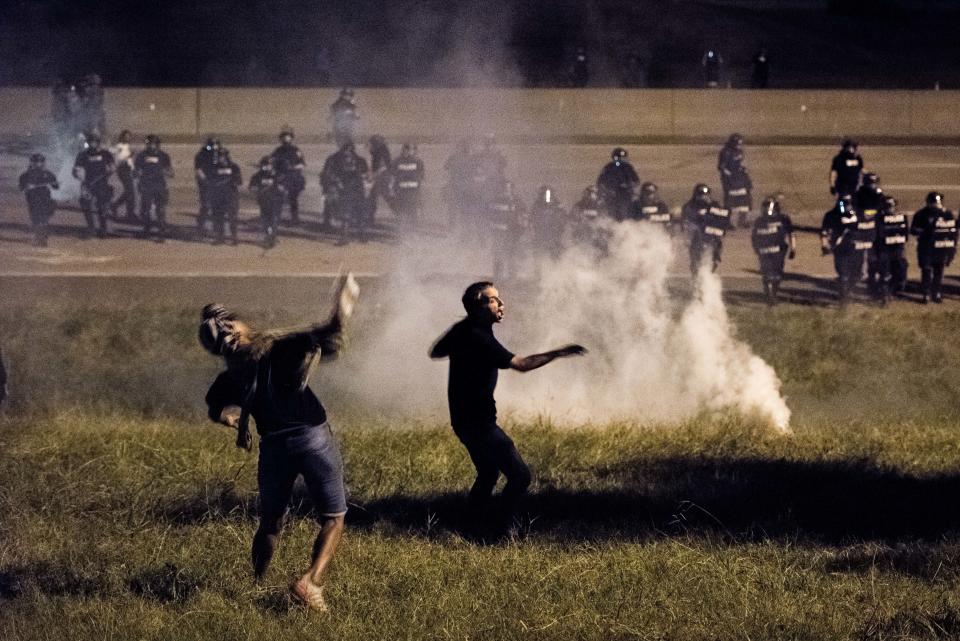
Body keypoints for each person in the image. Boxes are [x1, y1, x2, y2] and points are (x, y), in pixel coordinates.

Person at [199, 273, 360, 612]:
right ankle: (310, 582)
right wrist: (341, 306)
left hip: (273, 448)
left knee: (271, 522)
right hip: (312, 438)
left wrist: (232, 419)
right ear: (236, 329)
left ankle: (255, 583)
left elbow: (215, 408)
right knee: (334, 517)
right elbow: (326, 333)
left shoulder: (230, 378)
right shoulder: (276, 350)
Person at [429, 282, 586, 534]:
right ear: (479, 307)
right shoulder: (479, 337)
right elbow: (522, 364)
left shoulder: (466, 330)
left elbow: (436, 351)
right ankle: (500, 530)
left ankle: (471, 526)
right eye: (494, 300)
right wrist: (558, 353)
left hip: (463, 422)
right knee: (520, 476)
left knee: (488, 472)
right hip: (480, 424)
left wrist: (461, 331)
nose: (501, 304)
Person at [821, 194, 874, 304]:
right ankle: (843, 298)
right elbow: (824, 232)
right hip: (841, 249)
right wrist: (825, 245)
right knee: (844, 274)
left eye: (849, 203)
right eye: (844, 204)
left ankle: (847, 290)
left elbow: (867, 227)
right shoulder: (831, 215)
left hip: (857, 249)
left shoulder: (858, 214)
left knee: (857, 274)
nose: (847, 206)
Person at [911, 191, 957, 304]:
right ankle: (925, 293)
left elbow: (952, 233)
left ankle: (936, 292)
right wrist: (926, 231)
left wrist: (951, 250)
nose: (935, 205)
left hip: (940, 248)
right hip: (926, 248)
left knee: (938, 272)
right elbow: (913, 230)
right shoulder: (921, 214)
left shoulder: (947, 214)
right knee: (926, 271)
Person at [320, 142, 369, 241]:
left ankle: (360, 236)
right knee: (346, 214)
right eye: (346, 150)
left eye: (350, 150)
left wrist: (365, 181)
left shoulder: (359, 161)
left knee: (359, 213)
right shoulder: (336, 160)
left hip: (356, 190)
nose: (348, 153)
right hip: (346, 190)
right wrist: (336, 183)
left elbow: (366, 175)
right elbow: (328, 174)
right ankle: (345, 237)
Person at [751, 196, 795, 305]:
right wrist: (757, 249)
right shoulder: (759, 221)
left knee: (776, 274)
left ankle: (773, 294)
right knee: (767, 274)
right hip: (765, 251)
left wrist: (793, 248)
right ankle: (769, 295)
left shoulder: (783, 219)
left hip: (778, 251)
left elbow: (791, 233)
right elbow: (755, 237)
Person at [72, 132, 115, 238]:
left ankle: (103, 229)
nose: (93, 144)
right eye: (91, 142)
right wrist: (78, 175)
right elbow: (76, 169)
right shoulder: (83, 155)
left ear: (98, 143)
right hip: (88, 183)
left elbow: (112, 166)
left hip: (102, 183)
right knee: (86, 204)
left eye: (95, 142)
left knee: (102, 206)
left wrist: (111, 170)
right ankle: (91, 228)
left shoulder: (106, 154)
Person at [134, 134, 174, 242]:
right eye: (149, 144)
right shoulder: (141, 156)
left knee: (160, 210)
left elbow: (171, 172)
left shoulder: (164, 156)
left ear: (157, 145)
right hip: (146, 185)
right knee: (145, 209)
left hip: (159, 185)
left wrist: (165, 171)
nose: (151, 146)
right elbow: (136, 170)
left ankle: (161, 232)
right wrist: (137, 174)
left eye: (153, 144)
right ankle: (147, 229)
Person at [682, 183, 729, 274]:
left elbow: (723, 217)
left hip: (713, 238)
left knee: (714, 261)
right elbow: (687, 221)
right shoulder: (690, 206)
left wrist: (710, 208)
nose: (703, 196)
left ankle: (708, 277)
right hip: (696, 239)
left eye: (706, 194)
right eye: (701, 194)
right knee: (696, 262)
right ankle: (696, 280)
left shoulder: (714, 205)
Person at [488, 181, 527, 280]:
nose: (508, 191)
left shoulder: (518, 202)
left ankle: (512, 276)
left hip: (512, 234)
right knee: (498, 254)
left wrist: (520, 230)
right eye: (506, 189)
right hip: (499, 234)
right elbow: (490, 217)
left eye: (510, 189)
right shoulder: (496, 201)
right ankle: (497, 276)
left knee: (512, 254)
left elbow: (523, 217)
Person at [18, 153, 59, 247]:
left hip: (45, 199)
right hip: (32, 200)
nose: (38, 164)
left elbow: (56, 186)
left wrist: (51, 185)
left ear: (43, 163)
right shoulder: (25, 175)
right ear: (32, 162)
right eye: (36, 162)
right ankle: (39, 237)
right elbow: (21, 188)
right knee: (35, 220)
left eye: (40, 162)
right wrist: (27, 187)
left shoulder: (48, 174)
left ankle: (42, 239)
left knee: (43, 220)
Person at [875, 195, 909, 303]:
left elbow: (905, 235)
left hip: (897, 250)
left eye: (892, 206)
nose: (890, 208)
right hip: (883, 250)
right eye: (888, 206)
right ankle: (884, 295)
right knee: (885, 274)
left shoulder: (901, 218)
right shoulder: (877, 219)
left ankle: (891, 292)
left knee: (899, 274)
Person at [270, 128, 306, 225]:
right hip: (281, 177)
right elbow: (271, 162)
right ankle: (276, 218)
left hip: (293, 178)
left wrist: (293, 167)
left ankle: (295, 218)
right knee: (278, 198)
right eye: (283, 137)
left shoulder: (296, 150)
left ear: (291, 138)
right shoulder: (278, 150)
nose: (285, 139)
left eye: (288, 137)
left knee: (293, 199)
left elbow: (302, 164)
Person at [249, 156, 286, 249]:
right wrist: (255, 189)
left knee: (274, 220)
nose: (265, 167)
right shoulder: (257, 176)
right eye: (264, 165)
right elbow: (252, 187)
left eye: (268, 165)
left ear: (272, 166)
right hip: (264, 202)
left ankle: (272, 237)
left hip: (276, 202)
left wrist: (279, 188)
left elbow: (284, 188)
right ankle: (268, 236)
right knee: (265, 221)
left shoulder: (278, 176)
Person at [207, 148, 242, 245]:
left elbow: (239, 181)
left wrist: (232, 181)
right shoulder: (214, 167)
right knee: (218, 218)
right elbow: (210, 180)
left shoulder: (234, 167)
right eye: (218, 156)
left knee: (232, 218)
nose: (219, 158)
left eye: (221, 156)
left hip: (231, 196)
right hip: (218, 196)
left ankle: (234, 237)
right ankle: (220, 237)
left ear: (226, 156)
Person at [717, 134, 753, 227]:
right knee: (729, 201)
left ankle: (742, 221)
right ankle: (726, 222)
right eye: (738, 143)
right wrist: (730, 176)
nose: (739, 145)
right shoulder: (726, 152)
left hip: (740, 178)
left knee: (745, 199)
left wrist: (743, 170)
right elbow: (721, 167)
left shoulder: (739, 152)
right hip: (730, 180)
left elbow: (739, 164)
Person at [596, 147, 639, 222]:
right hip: (611, 197)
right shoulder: (609, 168)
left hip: (625, 197)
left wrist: (628, 186)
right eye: (620, 158)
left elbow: (636, 181)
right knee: (611, 215)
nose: (621, 160)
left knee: (624, 214)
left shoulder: (628, 168)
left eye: (623, 158)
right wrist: (606, 191)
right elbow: (600, 183)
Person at [389, 143, 425, 226]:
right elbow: (393, 175)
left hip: (411, 189)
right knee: (404, 208)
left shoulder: (416, 161)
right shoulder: (398, 161)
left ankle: (410, 226)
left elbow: (421, 175)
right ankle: (405, 226)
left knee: (410, 208)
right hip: (403, 189)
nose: (407, 152)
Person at [529, 185, 567, 259]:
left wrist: (559, 228)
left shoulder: (557, 204)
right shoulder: (537, 205)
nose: (546, 196)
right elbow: (532, 218)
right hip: (541, 233)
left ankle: (556, 266)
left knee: (555, 252)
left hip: (553, 233)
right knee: (539, 253)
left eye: (548, 194)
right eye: (544, 194)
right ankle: (539, 268)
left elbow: (563, 218)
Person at [443, 139, 473, 231]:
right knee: (464, 207)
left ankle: (453, 225)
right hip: (465, 185)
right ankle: (464, 225)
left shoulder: (454, 157)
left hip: (455, 184)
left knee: (453, 207)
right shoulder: (470, 158)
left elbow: (446, 166)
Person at [195, 137, 221, 231]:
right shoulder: (201, 155)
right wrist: (205, 181)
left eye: (216, 146)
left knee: (217, 205)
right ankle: (201, 224)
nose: (214, 148)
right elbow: (199, 170)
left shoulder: (220, 155)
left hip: (218, 183)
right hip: (205, 183)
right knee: (206, 205)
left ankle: (216, 226)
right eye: (211, 146)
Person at [110, 129, 136, 221]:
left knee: (130, 192)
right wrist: (129, 156)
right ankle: (129, 212)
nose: (128, 138)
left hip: (128, 170)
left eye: (129, 136)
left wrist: (133, 169)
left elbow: (129, 161)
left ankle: (116, 206)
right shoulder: (119, 147)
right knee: (130, 191)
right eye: (126, 136)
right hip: (122, 170)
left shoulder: (127, 146)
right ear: (122, 137)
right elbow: (119, 161)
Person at [366, 135, 392, 226]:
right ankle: (400, 213)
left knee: (372, 199)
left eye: (371, 144)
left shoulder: (379, 153)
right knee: (385, 198)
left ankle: (370, 220)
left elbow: (382, 168)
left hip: (382, 179)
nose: (370, 146)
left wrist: (372, 176)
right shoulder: (382, 152)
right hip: (383, 179)